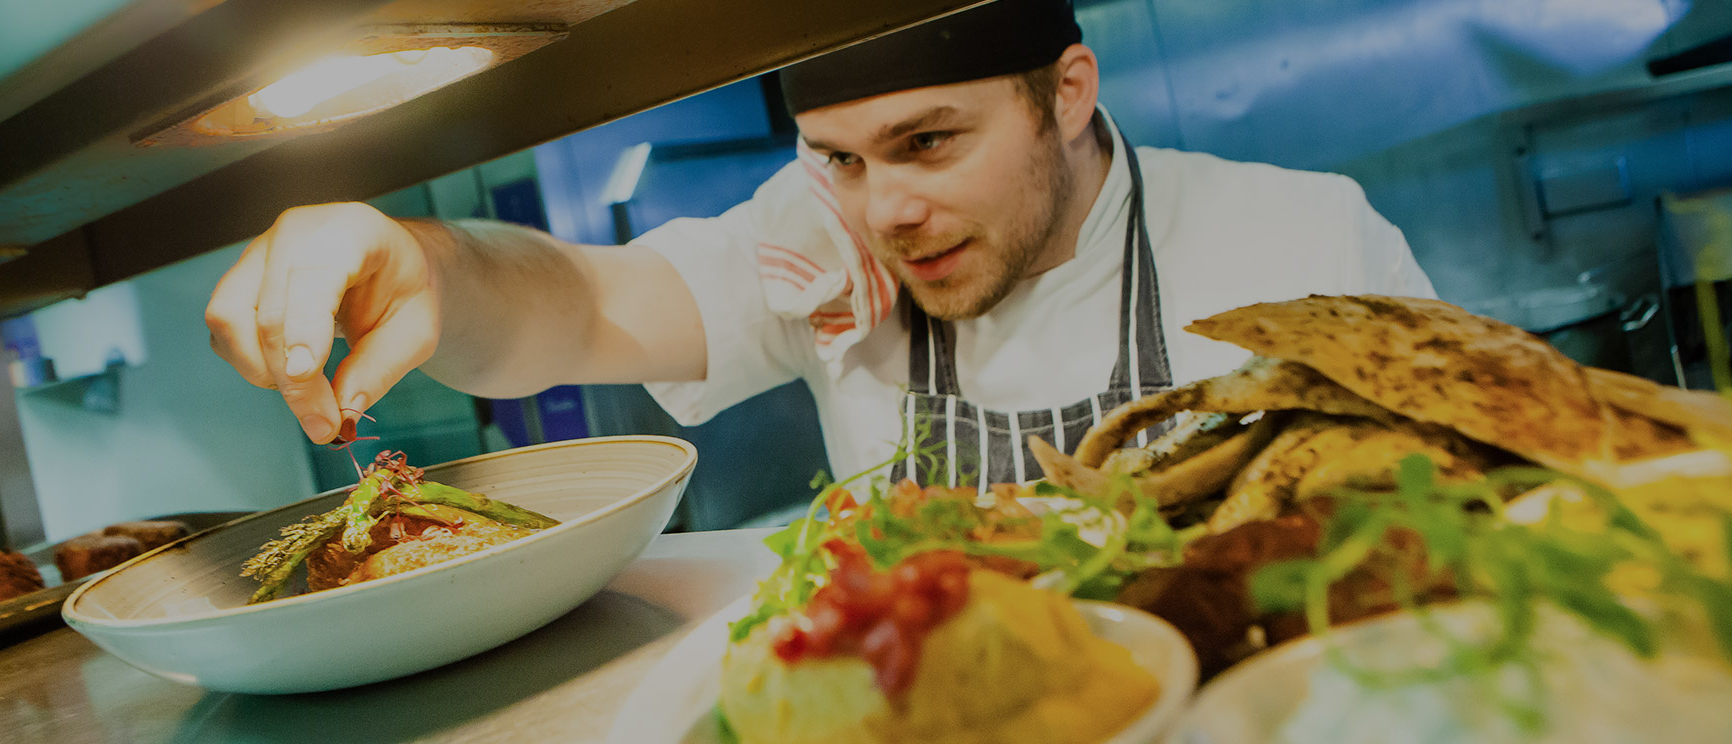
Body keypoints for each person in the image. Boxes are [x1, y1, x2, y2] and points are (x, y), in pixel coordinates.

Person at [205, 0, 1434, 488]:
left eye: (928, 143)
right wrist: (426, 265)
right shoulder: (822, 249)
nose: (883, 210)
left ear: (1067, 93)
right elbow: (576, 307)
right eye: (839, 156)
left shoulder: (1305, 236)